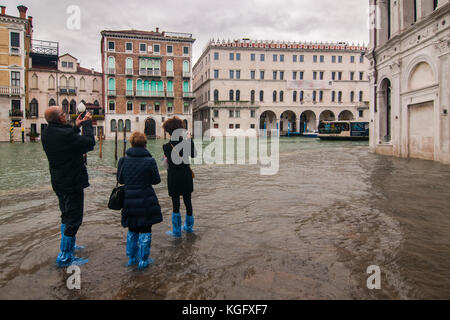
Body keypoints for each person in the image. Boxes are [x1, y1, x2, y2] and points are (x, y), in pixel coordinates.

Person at [41, 106, 95, 267]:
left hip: (58, 181)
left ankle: (69, 246)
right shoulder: (65, 135)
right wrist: (86, 124)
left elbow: (65, 137)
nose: (66, 115)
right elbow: (89, 143)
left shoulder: (47, 133)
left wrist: (76, 126)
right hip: (72, 182)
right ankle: (65, 257)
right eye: (64, 114)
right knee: (74, 219)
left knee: (66, 214)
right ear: (60, 118)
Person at [117, 132, 162, 269]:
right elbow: (156, 180)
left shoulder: (123, 160)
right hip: (145, 198)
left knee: (132, 228)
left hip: (129, 198)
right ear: (145, 144)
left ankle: (132, 258)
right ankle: (143, 260)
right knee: (146, 228)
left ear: (131, 143)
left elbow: (120, 180)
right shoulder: (150, 161)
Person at [162, 117, 196, 238]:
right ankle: (189, 228)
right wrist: (190, 140)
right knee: (188, 202)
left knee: (175, 204)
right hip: (186, 175)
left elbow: (166, 163)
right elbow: (194, 154)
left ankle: (176, 231)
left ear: (169, 131)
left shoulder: (166, 147)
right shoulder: (187, 143)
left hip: (173, 177)